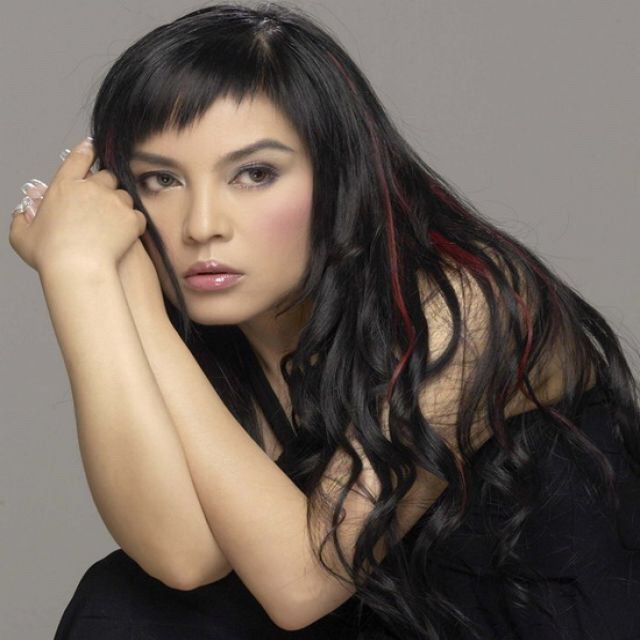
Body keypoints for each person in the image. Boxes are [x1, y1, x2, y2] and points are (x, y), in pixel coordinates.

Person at [8, 3, 640, 639]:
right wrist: (84, 278)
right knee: (127, 601)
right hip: (387, 621)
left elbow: (302, 584)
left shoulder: (473, 305)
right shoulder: (219, 332)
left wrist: (128, 295)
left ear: (339, 176)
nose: (201, 226)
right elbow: (185, 559)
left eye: (255, 174)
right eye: (161, 179)